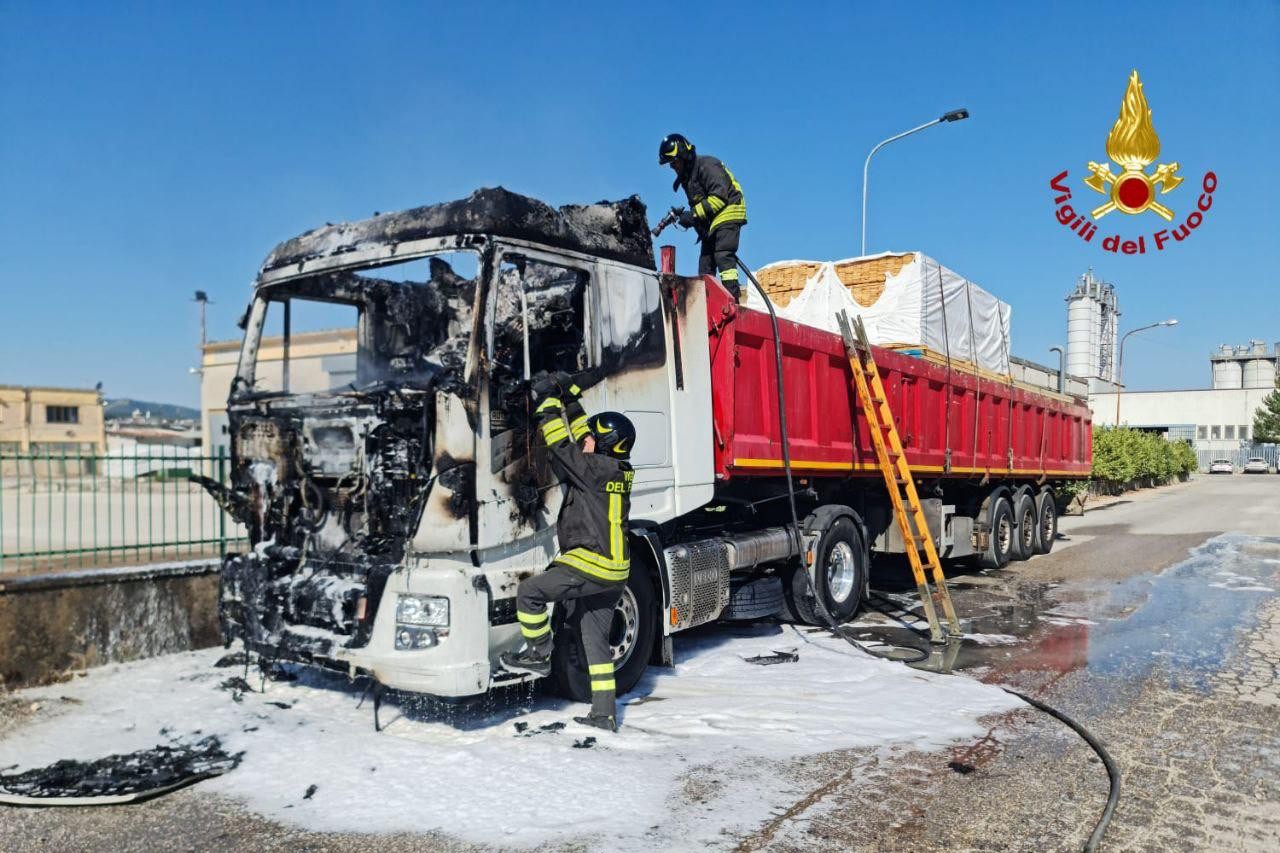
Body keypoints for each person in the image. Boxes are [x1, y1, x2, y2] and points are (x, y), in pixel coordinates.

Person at [500, 371, 637, 732]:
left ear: (603, 444)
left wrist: (547, 401)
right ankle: (604, 714)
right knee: (596, 642)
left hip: (591, 565)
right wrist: (571, 399)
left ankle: (538, 653)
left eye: (593, 438)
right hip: (615, 573)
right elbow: (581, 439)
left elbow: (561, 444)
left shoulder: (591, 468)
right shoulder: (617, 469)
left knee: (530, 593)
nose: (586, 441)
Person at [658, 132, 748, 299]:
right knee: (705, 266)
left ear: (684, 155)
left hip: (729, 209)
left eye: (674, 162)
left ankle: (733, 302)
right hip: (712, 220)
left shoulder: (707, 165)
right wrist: (690, 217)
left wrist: (691, 216)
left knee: (723, 255)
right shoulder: (688, 178)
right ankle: (709, 305)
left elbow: (719, 198)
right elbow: (700, 207)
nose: (672, 167)